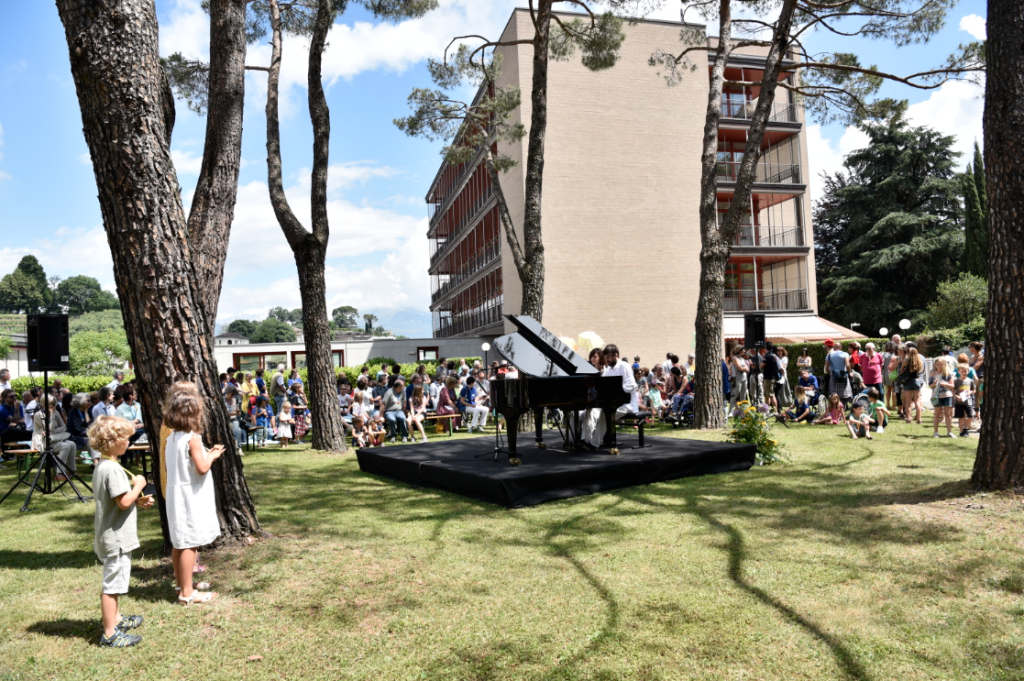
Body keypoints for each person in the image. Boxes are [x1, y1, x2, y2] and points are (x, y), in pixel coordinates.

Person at [88, 415, 154, 648]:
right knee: (112, 586)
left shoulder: (104, 465)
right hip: (116, 538)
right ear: (112, 440)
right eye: (125, 438)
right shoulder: (114, 470)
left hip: (110, 535)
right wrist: (138, 486)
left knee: (115, 582)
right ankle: (109, 634)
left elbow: (119, 500)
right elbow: (123, 502)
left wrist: (137, 500)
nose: (129, 441)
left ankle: (115, 620)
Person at [163, 385, 222, 606]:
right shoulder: (192, 438)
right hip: (190, 495)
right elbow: (202, 468)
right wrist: (213, 454)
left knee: (179, 541)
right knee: (190, 542)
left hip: (177, 492)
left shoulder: (172, 438)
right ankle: (187, 593)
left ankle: (181, 583)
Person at [602, 344, 639, 419]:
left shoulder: (624, 366)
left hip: (627, 404)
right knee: (597, 412)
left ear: (615, 355)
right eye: (605, 357)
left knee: (605, 415)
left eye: (608, 357)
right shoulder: (607, 369)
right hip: (613, 403)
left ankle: (605, 431)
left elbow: (631, 385)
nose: (606, 360)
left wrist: (615, 390)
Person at [930, 357, 955, 438]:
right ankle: (936, 432)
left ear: (945, 365)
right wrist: (934, 383)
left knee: (947, 414)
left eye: (941, 365)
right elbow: (930, 386)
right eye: (938, 365)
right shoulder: (932, 373)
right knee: (937, 414)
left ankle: (949, 432)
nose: (940, 366)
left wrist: (945, 384)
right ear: (935, 365)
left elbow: (952, 386)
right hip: (936, 396)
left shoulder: (948, 373)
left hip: (947, 395)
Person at [901, 347, 925, 424]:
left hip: (908, 381)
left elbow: (901, 371)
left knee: (908, 400)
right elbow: (921, 371)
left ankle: (908, 418)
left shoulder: (905, 361)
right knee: (917, 401)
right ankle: (919, 419)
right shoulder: (919, 361)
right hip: (917, 381)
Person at [381, 378, 410, 443]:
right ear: (398, 387)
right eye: (402, 386)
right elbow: (382, 404)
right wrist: (381, 416)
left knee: (403, 418)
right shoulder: (389, 392)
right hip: (389, 411)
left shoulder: (402, 392)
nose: (404, 387)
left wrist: (405, 414)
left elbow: (404, 403)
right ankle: (392, 435)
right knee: (392, 419)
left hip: (399, 410)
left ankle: (404, 436)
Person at [825, 339, 852, 405]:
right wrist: (849, 372)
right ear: (841, 348)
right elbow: (847, 365)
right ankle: (843, 408)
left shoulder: (829, 355)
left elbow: (826, 368)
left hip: (833, 377)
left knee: (833, 395)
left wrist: (831, 374)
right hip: (843, 376)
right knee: (844, 395)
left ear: (833, 348)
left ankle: (834, 409)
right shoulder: (845, 354)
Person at [954, 363, 976, 438]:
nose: (964, 373)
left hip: (968, 402)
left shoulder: (970, 381)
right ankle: (962, 431)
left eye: (966, 371)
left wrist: (970, 392)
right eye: (962, 371)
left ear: (968, 371)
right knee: (961, 417)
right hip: (959, 402)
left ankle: (966, 428)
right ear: (958, 372)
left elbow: (974, 390)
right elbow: (953, 391)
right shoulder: (956, 381)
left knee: (970, 416)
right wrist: (956, 396)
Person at [223, 385, 246, 451]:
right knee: (238, 430)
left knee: (238, 429)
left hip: (233, 419)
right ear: (227, 392)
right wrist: (235, 413)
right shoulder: (222, 400)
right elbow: (225, 414)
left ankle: (237, 446)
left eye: (235, 394)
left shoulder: (235, 400)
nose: (233, 395)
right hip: (225, 420)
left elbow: (238, 412)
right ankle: (237, 446)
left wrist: (238, 412)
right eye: (232, 394)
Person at [728, 346, 750, 413]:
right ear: (739, 350)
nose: (744, 351)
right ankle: (731, 412)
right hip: (737, 379)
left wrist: (744, 368)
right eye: (743, 350)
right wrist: (745, 368)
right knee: (735, 394)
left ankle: (743, 411)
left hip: (744, 378)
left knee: (743, 395)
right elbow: (739, 368)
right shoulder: (735, 358)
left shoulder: (742, 359)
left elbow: (748, 369)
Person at [968, 341, 984, 420]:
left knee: (978, 396)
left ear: (973, 348)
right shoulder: (972, 357)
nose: (969, 349)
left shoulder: (981, 356)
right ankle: (976, 413)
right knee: (974, 395)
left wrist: (967, 369)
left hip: (980, 378)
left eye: (970, 347)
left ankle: (978, 414)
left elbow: (976, 367)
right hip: (972, 378)